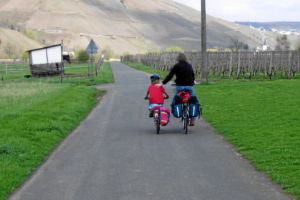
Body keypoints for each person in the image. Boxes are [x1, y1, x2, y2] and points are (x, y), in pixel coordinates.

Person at [155, 53, 196, 126]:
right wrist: (192, 81)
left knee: (177, 97)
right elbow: (192, 75)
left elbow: (170, 75)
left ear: (178, 59)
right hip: (190, 86)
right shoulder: (189, 65)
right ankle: (192, 120)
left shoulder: (176, 66)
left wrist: (163, 83)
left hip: (180, 86)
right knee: (192, 99)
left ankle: (175, 111)